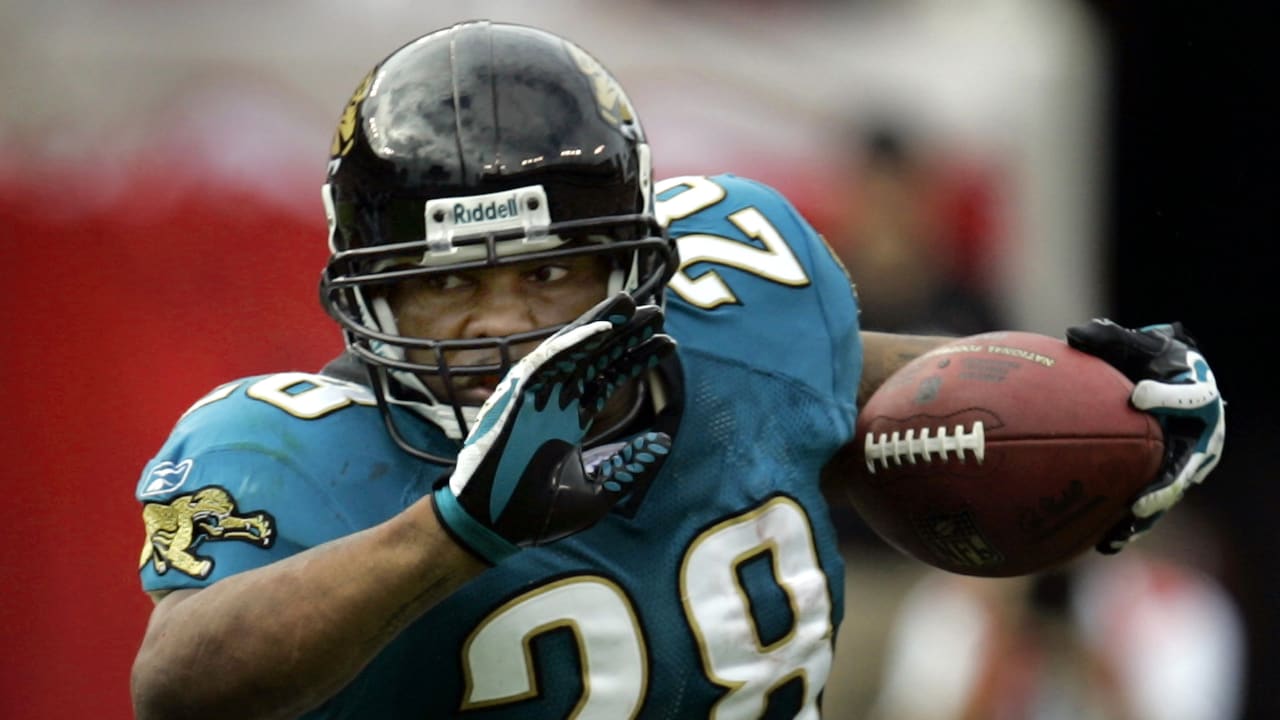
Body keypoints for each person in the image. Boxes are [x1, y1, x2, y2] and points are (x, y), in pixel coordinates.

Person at [128, 20, 1226, 720]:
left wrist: (1101, 396)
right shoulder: (286, 448)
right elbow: (180, 688)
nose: (504, 320)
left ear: (633, 262)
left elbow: (848, 386)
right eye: (444, 280)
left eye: (550, 271)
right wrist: (451, 534)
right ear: (368, 291)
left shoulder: (741, 304)